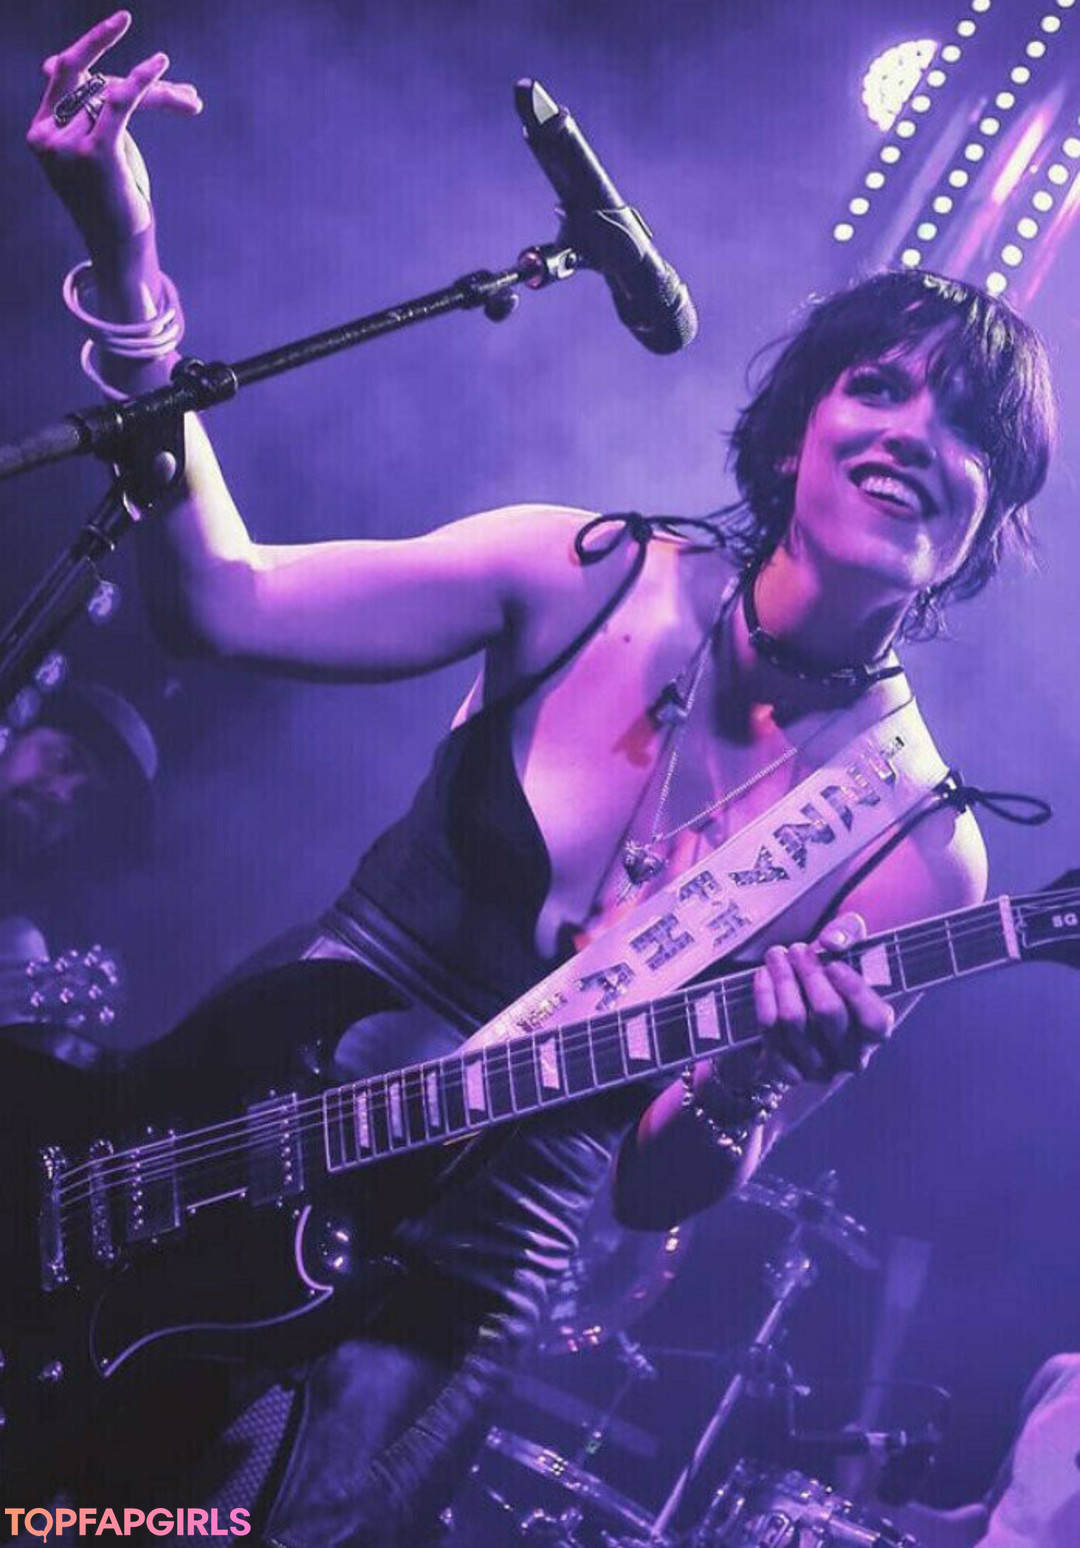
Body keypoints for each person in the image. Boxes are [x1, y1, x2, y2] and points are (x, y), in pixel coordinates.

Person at [23, 11, 1055, 1545]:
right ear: (798, 435)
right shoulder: (579, 571)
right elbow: (221, 600)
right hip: (216, 1139)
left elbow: (653, 1188)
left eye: (970, 429)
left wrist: (765, 1073)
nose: (920, 436)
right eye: (884, 390)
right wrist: (126, 264)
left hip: (426, 1316)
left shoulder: (917, 843)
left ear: (988, 520)